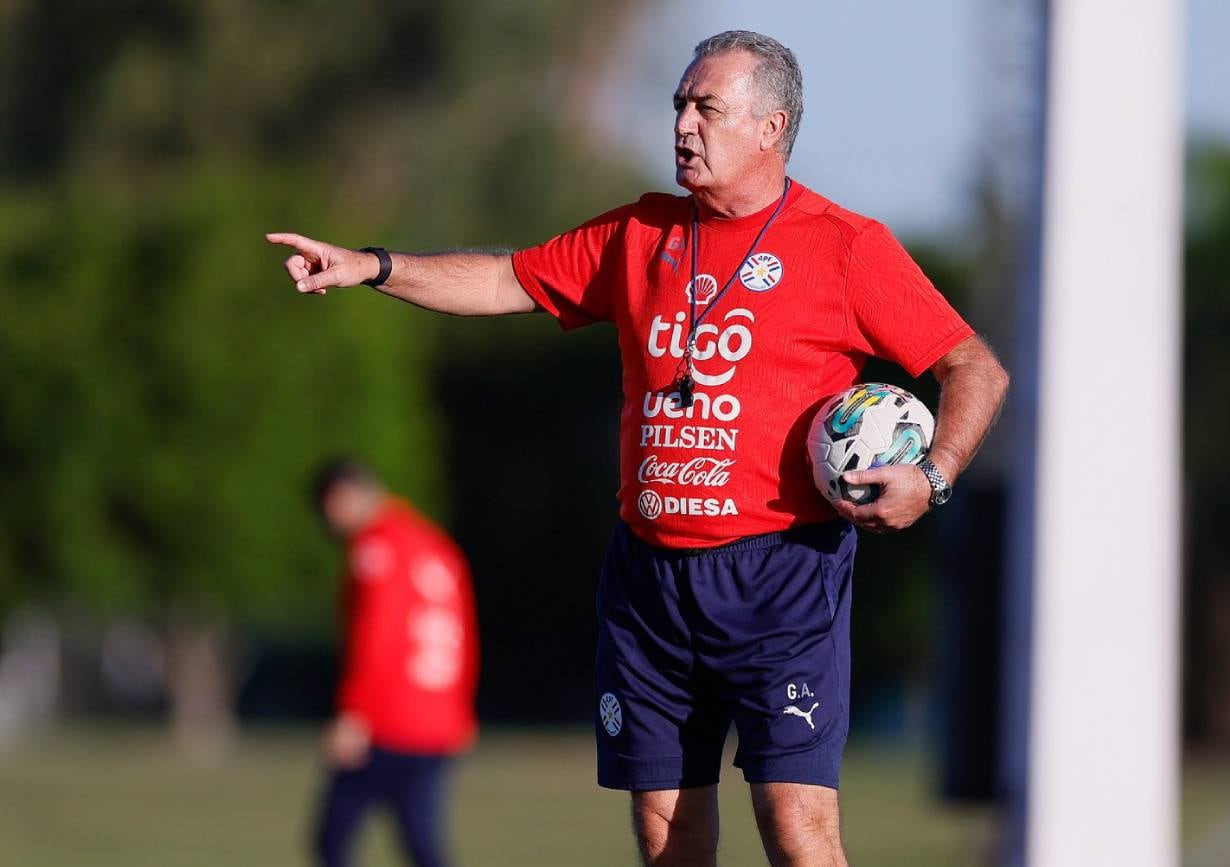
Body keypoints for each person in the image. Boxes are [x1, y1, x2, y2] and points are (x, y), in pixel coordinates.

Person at [271, 30, 1008, 867]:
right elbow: (505, 279)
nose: (683, 126)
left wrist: (934, 477)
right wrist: (373, 264)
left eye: (707, 108)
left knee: (799, 830)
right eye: (679, 106)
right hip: (650, 583)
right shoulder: (639, 234)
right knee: (668, 836)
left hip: (781, 579)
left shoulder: (844, 245)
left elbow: (972, 365)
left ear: (771, 127)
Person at [310, 459, 478, 867]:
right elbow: (465, 636)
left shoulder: (376, 546)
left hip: (387, 720)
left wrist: (353, 712)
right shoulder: (434, 544)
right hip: (435, 721)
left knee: (332, 841)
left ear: (341, 497)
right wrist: (460, 710)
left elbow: (377, 637)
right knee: (421, 845)